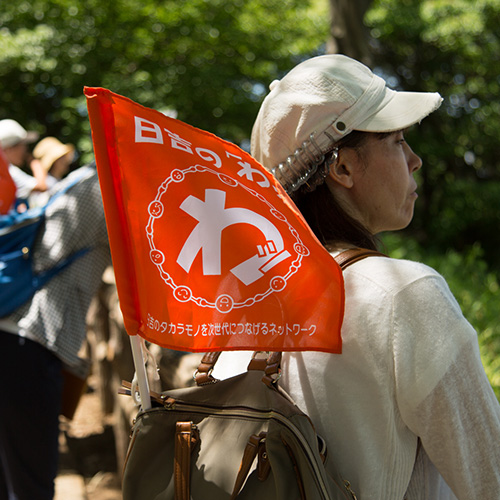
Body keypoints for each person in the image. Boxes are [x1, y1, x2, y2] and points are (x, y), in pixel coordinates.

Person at [214, 55, 500, 498]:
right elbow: (490, 476)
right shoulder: (405, 294)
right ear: (342, 168)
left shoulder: (239, 299)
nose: (416, 159)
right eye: (397, 141)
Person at [0, 162, 111, 500]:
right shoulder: (104, 187)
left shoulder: (77, 181)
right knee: (30, 481)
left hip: (12, 333)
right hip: (29, 343)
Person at [0, 118, 43, 201]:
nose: (25, 150)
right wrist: (35, 163)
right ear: (9, 149)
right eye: (22, 145)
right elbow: (41, 186)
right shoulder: (10, 171)